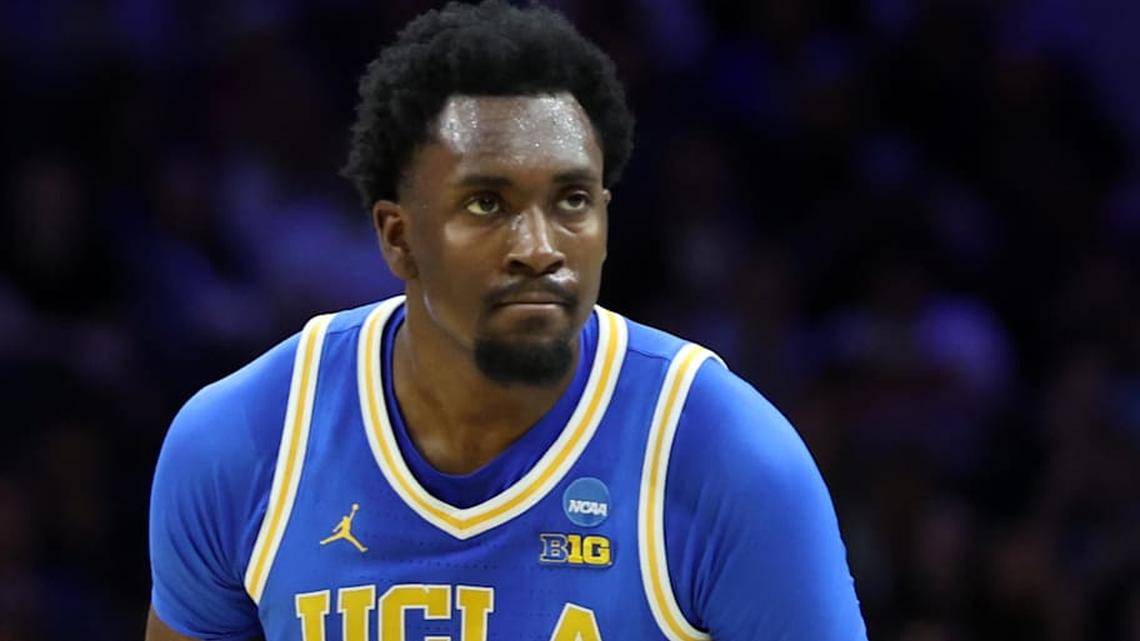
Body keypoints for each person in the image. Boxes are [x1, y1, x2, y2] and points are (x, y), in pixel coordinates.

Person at [146, 2, 868, 640]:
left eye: (572, 200)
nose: (539, 249)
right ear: (398, 238)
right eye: (487, 203)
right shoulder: (245, 440)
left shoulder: (726, 457)